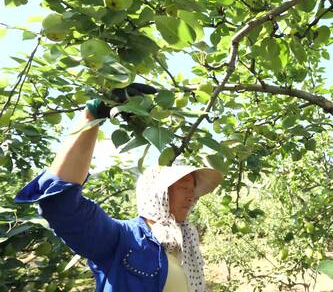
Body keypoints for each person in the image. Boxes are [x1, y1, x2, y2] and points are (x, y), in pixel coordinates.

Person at [14, 84, 223, 291]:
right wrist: (92, 116)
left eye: (193, 190)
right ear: (158, 193)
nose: (191, 197)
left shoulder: (184, 244)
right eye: (184, 187)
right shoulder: (123, 239)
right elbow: (60, 204)